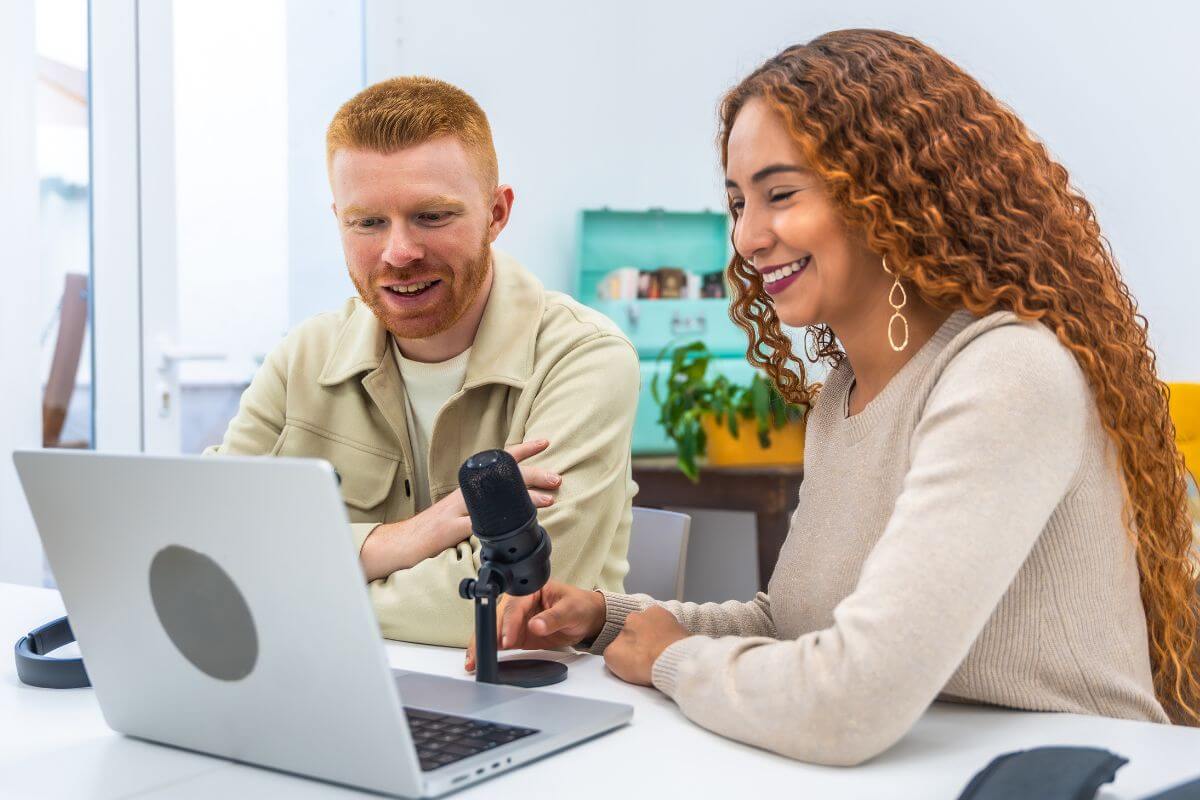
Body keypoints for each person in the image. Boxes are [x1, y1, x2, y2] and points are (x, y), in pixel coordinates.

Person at [468, 29, 1200, 765]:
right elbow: (791, 625)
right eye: (736, 203)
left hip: (1068, 776)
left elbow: (853, 699)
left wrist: (671, 660)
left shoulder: (1008, 373)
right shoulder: (844, 394)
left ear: (895, 191)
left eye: (780, 194)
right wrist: (607, 618)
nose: (749, 237)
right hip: (925, 767)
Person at [206, 76, 639, 647]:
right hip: (329, 686)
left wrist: (282, 584)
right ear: (339, 218)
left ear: (496, 213)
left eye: (432, 216)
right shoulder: (303, 357)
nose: (399, 253)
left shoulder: (584, 360)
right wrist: (393, 541)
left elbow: (505, 606)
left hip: (526, 701)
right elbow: (207, 542)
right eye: (367, 222)